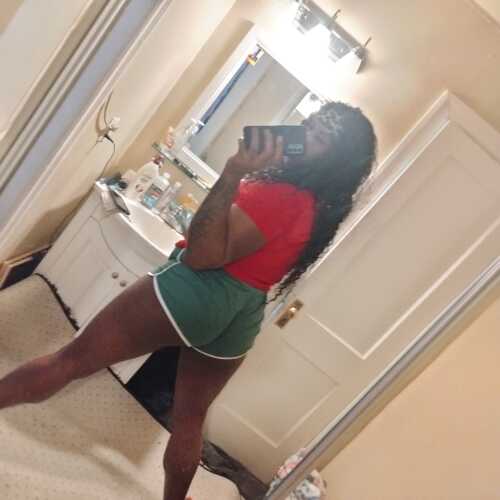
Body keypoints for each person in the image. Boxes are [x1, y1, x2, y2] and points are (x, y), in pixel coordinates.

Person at [0, 101, 377, 500]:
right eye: (309, 124)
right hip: (241, 314)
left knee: (71, 361)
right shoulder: (314, 210)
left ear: (335, 162)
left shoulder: (282, 195)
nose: (302, 135)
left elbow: (202, 256)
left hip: (198, 291)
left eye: (319, 136)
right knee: (190, 418)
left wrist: (232, 172)